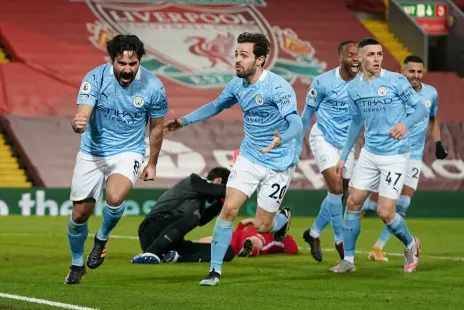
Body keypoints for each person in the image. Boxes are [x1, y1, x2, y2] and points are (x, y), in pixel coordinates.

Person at [163, 32, 304, 286]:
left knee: (263, 225)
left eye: (244, 55)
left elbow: (295, 121)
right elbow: (215, 105)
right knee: (228, 209)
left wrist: (281, 138)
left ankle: (282, 219)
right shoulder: (237, 85)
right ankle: (214, 271)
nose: (237, 60)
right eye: (236, 54)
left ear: (260, 59)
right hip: (249, 157)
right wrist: (184, 121)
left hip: (279, 162)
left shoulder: (278, 87)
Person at [64, 34, 168, 284]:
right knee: (80, 214)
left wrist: (151, 162)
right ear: (113, 61)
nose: (127, 69)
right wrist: (78, 123)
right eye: (122, 63)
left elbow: (156, 128)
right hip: (92, 152)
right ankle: (77, 263)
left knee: (115, 196)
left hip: (128, 151)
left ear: (139, 63)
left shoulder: (153, 87)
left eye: (132, 64)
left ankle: (102, 238)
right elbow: (83, 113)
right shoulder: (96, 77)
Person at [330, 37, 429, 273]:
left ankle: (410, 244)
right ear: (360, 57)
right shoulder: (354, 87)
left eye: (380, 54)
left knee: (385, 212)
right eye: (372, 54)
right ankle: (349, 261)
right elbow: (356, 122)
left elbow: (420, 108)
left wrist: (405, 125)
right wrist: (344, 156)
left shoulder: (396, 81)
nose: (377, 58)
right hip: (369, 153)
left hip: (395, 154)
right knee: (353, 203)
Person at [361, 55, 447, 261]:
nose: (416, 75)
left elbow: (433, 119)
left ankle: (378, 248)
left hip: (415, 156)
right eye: (412, 71)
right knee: (380, 206)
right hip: (392, 153)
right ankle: (361, 209)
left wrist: (438, 143)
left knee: (403, 204)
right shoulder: (392, 90)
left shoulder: (431, 93)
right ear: (402, 71)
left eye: (419, 71)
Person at [300, 40, 360, 262]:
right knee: (335, 187)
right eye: (351, 54)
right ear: (341, 58)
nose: (356, 59)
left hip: (347, 144)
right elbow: (307, 114)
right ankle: (340, 240)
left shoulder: (364, 84)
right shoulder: (323, 82)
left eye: (358, 55)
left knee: (341, 193)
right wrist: (296, 141)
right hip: (323, 137)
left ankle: (313, 233)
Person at [131, 167, 234, 264]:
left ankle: (171, 257)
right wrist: (237, 191)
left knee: (226, 251)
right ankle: (150, 253)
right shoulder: (195, 180)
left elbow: (202, 220)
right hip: (151, 231)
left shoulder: (199, 200)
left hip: (172, 242)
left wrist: (220, 203)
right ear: (219, 181)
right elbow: (224, 191)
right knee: (192, 217)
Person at [199, 218, 299, 257]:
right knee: (201, 241)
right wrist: (243, 223)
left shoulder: (279, 236)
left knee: (255, 239)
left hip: (259, 239)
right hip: (236, 237)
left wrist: (284, 235)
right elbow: (240, 231)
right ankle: (247, 248)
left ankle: (250, 248)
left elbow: (293, 249)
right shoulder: (257, 223)